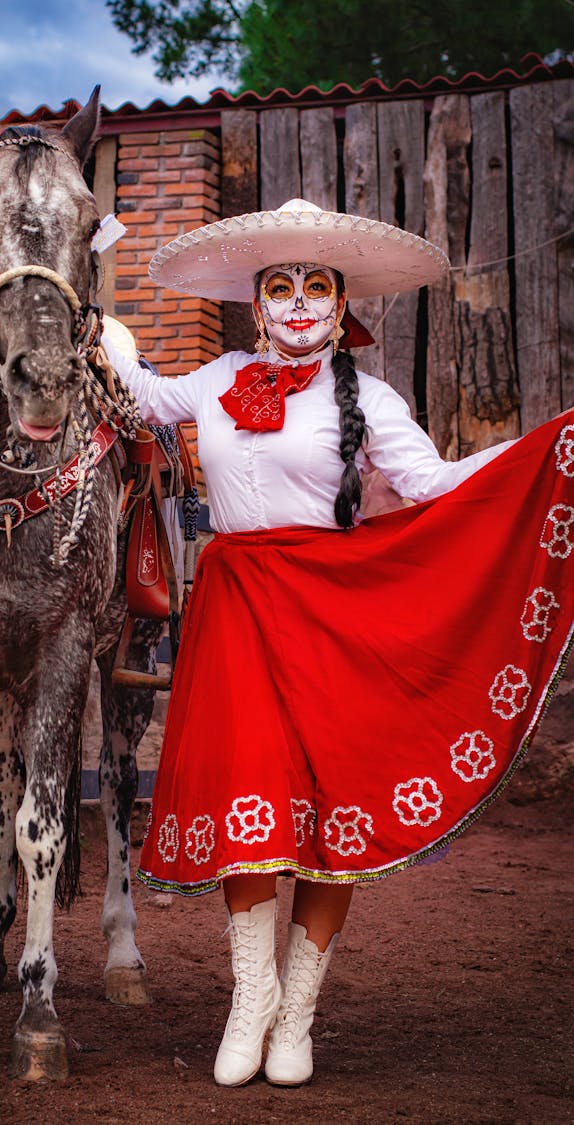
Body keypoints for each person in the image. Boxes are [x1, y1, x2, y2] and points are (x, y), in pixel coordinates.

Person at [101, 199, 574, 1088]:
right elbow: (141, 392)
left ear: (340, 300)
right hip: (236, 610)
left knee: (328, 807)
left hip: (332, 612)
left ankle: (298, 1014)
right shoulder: (217, 377)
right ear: (255, 303)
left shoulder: (372, 397)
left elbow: (432, 481)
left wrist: (538, 451)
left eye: (315, 285)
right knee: (252, 793)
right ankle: (252, 1000)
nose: (298, 302)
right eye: (279, 286)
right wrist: (86, 296)